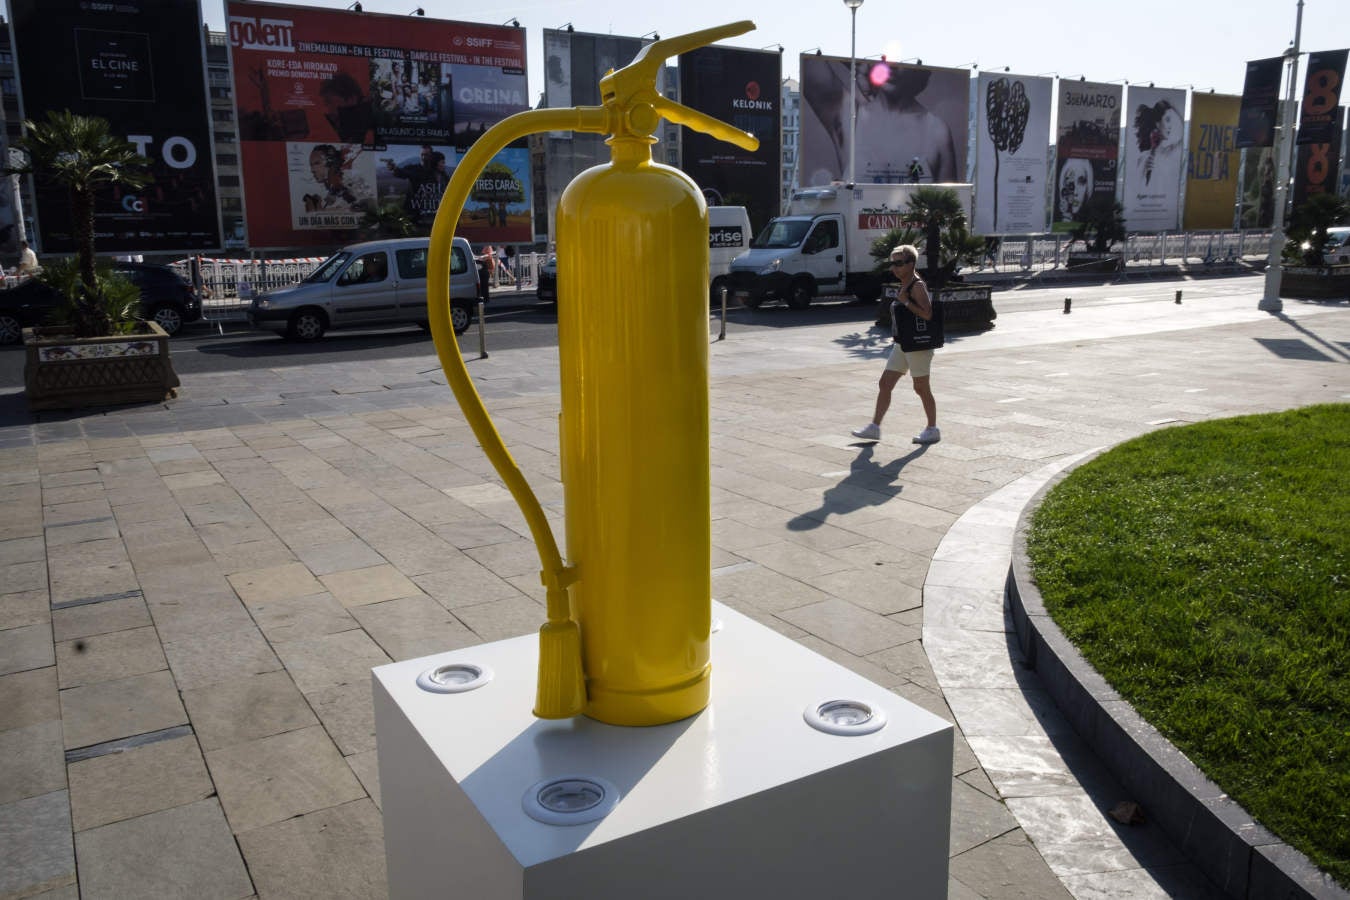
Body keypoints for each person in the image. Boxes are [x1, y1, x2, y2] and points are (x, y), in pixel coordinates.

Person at [851, 245, 940, 444]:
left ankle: (932, 428)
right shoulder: (906, 283)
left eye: (899, 263)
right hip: (903, 344)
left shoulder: (916, 285)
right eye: (892, 263)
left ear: (911, 263)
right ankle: (874, 427)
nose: (894, 268)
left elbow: (927, 314)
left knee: (921, 388)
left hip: (918, 346)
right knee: (885, 383)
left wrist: (906, 302)